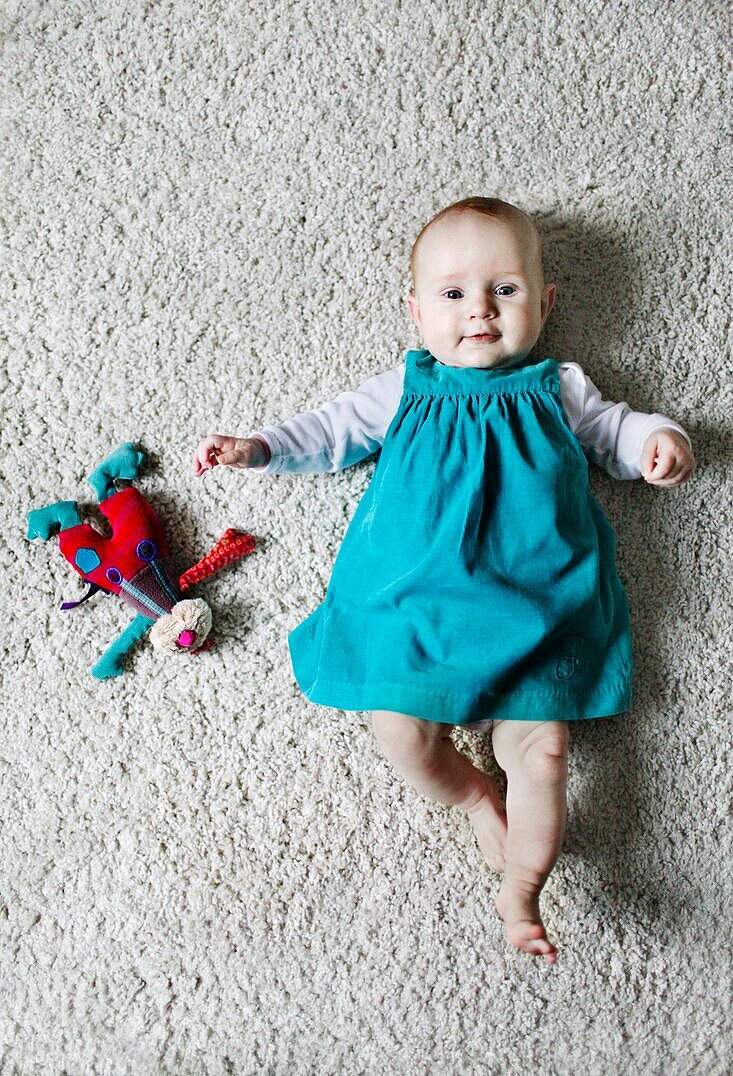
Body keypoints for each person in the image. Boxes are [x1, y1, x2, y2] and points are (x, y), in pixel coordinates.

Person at [193, 197, 695, 965]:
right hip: (412, 604)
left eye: (505, 290)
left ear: (545, 301)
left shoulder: (557, 387)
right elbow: (330, 432)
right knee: (397, 731)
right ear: (415, 310)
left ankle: (523, 885)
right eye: (453, 294)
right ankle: (468, 793)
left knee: (546, 755)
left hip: (535, 608)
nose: (479, 313)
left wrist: (658, 440)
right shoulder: (405, 385)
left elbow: (613, 429)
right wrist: (259, 447)